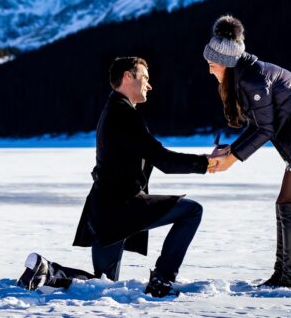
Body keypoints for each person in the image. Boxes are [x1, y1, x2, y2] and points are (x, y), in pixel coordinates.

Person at [17, 56, 220, 297]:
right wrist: (207, 163)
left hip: (104, 211)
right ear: (127, 77)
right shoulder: (124, 114)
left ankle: (47, 272)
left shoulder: (113, 110)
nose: (149, 85)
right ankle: (162, 279)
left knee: (101, 283)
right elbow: (162, 159)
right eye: (145, 77)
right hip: (123, 209)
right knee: (191, 211)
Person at [204, 15, 291, 289]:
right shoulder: (249, 74)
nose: (210, 71)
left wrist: (231, 159)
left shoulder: (253, 80)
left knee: (289, 206)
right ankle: (283, 275)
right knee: (286, 206)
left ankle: (288, 278)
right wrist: (230, 149)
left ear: (227, 64)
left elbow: (265, 129)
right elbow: (259, 124)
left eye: (213, 65)